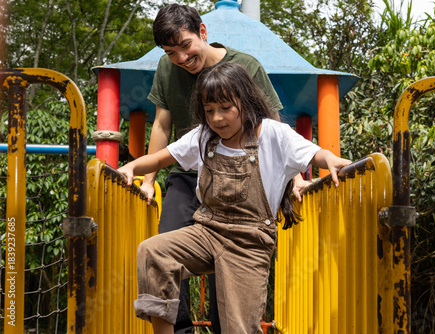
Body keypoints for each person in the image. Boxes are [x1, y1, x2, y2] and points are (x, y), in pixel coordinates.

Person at [118, 63, 352, 334]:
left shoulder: (274, 134)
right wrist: (133, 167)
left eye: (225, 108)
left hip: (248, 243)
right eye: (209, 111)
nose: (217, 118)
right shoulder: (205, 136)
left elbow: (314, 153)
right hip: (207, 231)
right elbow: (162, 157)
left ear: (246, 102)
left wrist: (331, 160)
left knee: (237, 328)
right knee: (153, 252)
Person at [140, 4, 310, 333]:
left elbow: (273, 126)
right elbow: (162, 125)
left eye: (185, 47)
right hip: (189, 177)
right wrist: (148, 180)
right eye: (171, 52)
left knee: (228, 263)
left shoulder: (245, 66)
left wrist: (295, 179)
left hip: (238, 181)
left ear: (202, 32)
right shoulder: (166, 68)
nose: (181, 59)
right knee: (164, 243)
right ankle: (179, 329)